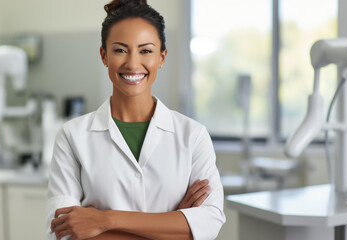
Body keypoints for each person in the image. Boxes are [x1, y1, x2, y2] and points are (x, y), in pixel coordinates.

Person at [46, 0, 226, 239]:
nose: (132, 63)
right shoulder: (72, 136)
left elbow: (210, 223)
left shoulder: (192, 135)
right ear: (104, 55)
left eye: (146, 50)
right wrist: (173, 221)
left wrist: (104, 220)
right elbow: (63, 232)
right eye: (120, 50)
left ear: (162, 57)